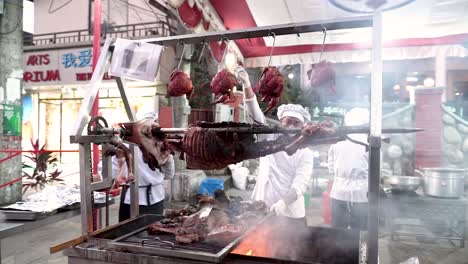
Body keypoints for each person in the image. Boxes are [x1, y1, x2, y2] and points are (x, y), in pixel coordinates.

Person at [234, 66, 314, 224]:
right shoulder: (269, 138)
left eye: (296, 123)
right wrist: (246, 85)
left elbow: (300, 185)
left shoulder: (306, 152)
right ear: (281, 122)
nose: (291, 126)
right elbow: (255, 115)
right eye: (288, 122)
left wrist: (283, 203)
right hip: (261, 209)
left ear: (303, 126)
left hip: (290, 216)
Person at [103, 112, 175, 221]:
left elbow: (109, 174)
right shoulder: (162, 146)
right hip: (156, 197)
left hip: (131, 199)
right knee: (154, 234)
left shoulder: (122, 146)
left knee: (127, 234)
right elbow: (169, 173)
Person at [327, 108, 369, 230]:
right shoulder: (370, 141)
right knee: (359, 231)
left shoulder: (338, 141)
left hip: (339, 191)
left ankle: (339, 249)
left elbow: (330, 166)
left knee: (338, 229)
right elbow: (376, 168)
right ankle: (358, 249)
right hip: (361, 193)